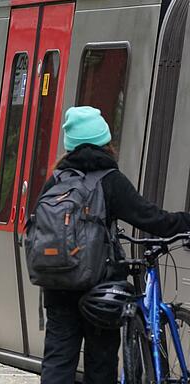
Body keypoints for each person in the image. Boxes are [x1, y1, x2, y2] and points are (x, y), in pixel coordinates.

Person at [40, 106, 190, 383]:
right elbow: (152, 219)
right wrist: (186, 221)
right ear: (104, 141)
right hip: (99, 290)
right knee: (100, 364)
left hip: (57, 286)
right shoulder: (110, 180)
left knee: (58, 362)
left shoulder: (55, 181)